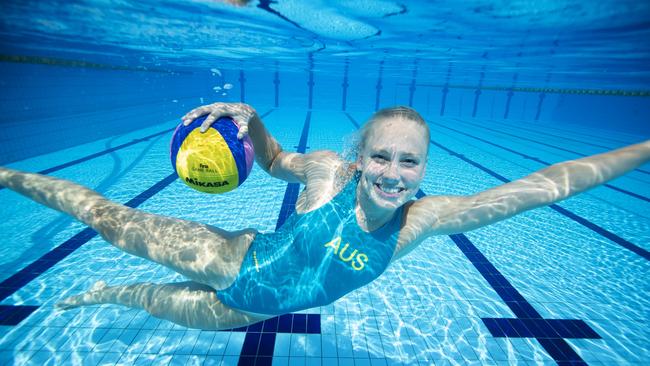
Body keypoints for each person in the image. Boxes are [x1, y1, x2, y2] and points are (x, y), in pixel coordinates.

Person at [0, 103, 648, 330]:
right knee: (109, 219)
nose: (396, 173)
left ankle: (109, 292)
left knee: (143, 297)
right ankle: (6, 173)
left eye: (411, 163)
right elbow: (273, 155)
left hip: (242, 313)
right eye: (384, 156)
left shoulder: (422, 221)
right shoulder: (326, 174)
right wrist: (249, 119)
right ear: (360, 156)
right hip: (228, 258)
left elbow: (544, 187)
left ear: (424, 169)